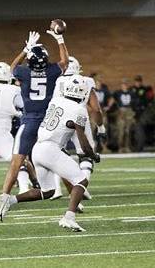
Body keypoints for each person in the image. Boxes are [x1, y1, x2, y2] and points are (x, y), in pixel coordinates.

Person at [0, 75, 100, 231]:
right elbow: (83, 143)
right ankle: (69, 218)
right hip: (51, 149)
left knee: (48, 191)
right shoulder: (79, 109)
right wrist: (93, 155)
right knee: (81, 180)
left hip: (37, 148)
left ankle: (9, 200)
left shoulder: (56, 100)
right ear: (83, 93)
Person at [0, 29, 69, 221]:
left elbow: (12, 68)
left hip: (29, 122)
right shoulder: (52, 72)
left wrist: (25, 49)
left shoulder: (24, 73)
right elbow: (65, 62)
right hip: (48, 124)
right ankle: (74, 192)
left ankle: (3, 197)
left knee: (16, 162)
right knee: (58, 157)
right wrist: (59, 38)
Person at [50, 56, 105, 203]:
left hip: (58, 118)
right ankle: (82, 185)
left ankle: (56, 188)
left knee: (55, 152)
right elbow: (96, 109)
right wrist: (101, 126)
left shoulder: (56, 80)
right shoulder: (86, 81)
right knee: (86, 155)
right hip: (80, 116)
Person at [113, 78, 136, 153]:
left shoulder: (131, 93)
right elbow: (112, 100)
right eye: (123, 84)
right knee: (121, 130)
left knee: (128, 130)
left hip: (129, 111)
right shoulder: (117, 93)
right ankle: (120, 147)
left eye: (125, 84)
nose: (124, 86)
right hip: (121, 111)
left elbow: (134, 102)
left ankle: (127, 146)